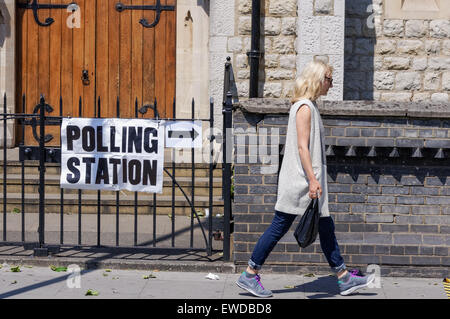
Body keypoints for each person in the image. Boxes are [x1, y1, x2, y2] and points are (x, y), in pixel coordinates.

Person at [236, 60, 375, 297]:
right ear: (318, 80)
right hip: (300, 181)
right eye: (329, 79)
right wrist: (312, 179)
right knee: (279, 227)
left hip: (306, 180)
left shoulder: (308, 106)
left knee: (326, 227)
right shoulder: (304, 108)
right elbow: (302, 147)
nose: (331, 84)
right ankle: (249, 273)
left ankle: (343, 277)